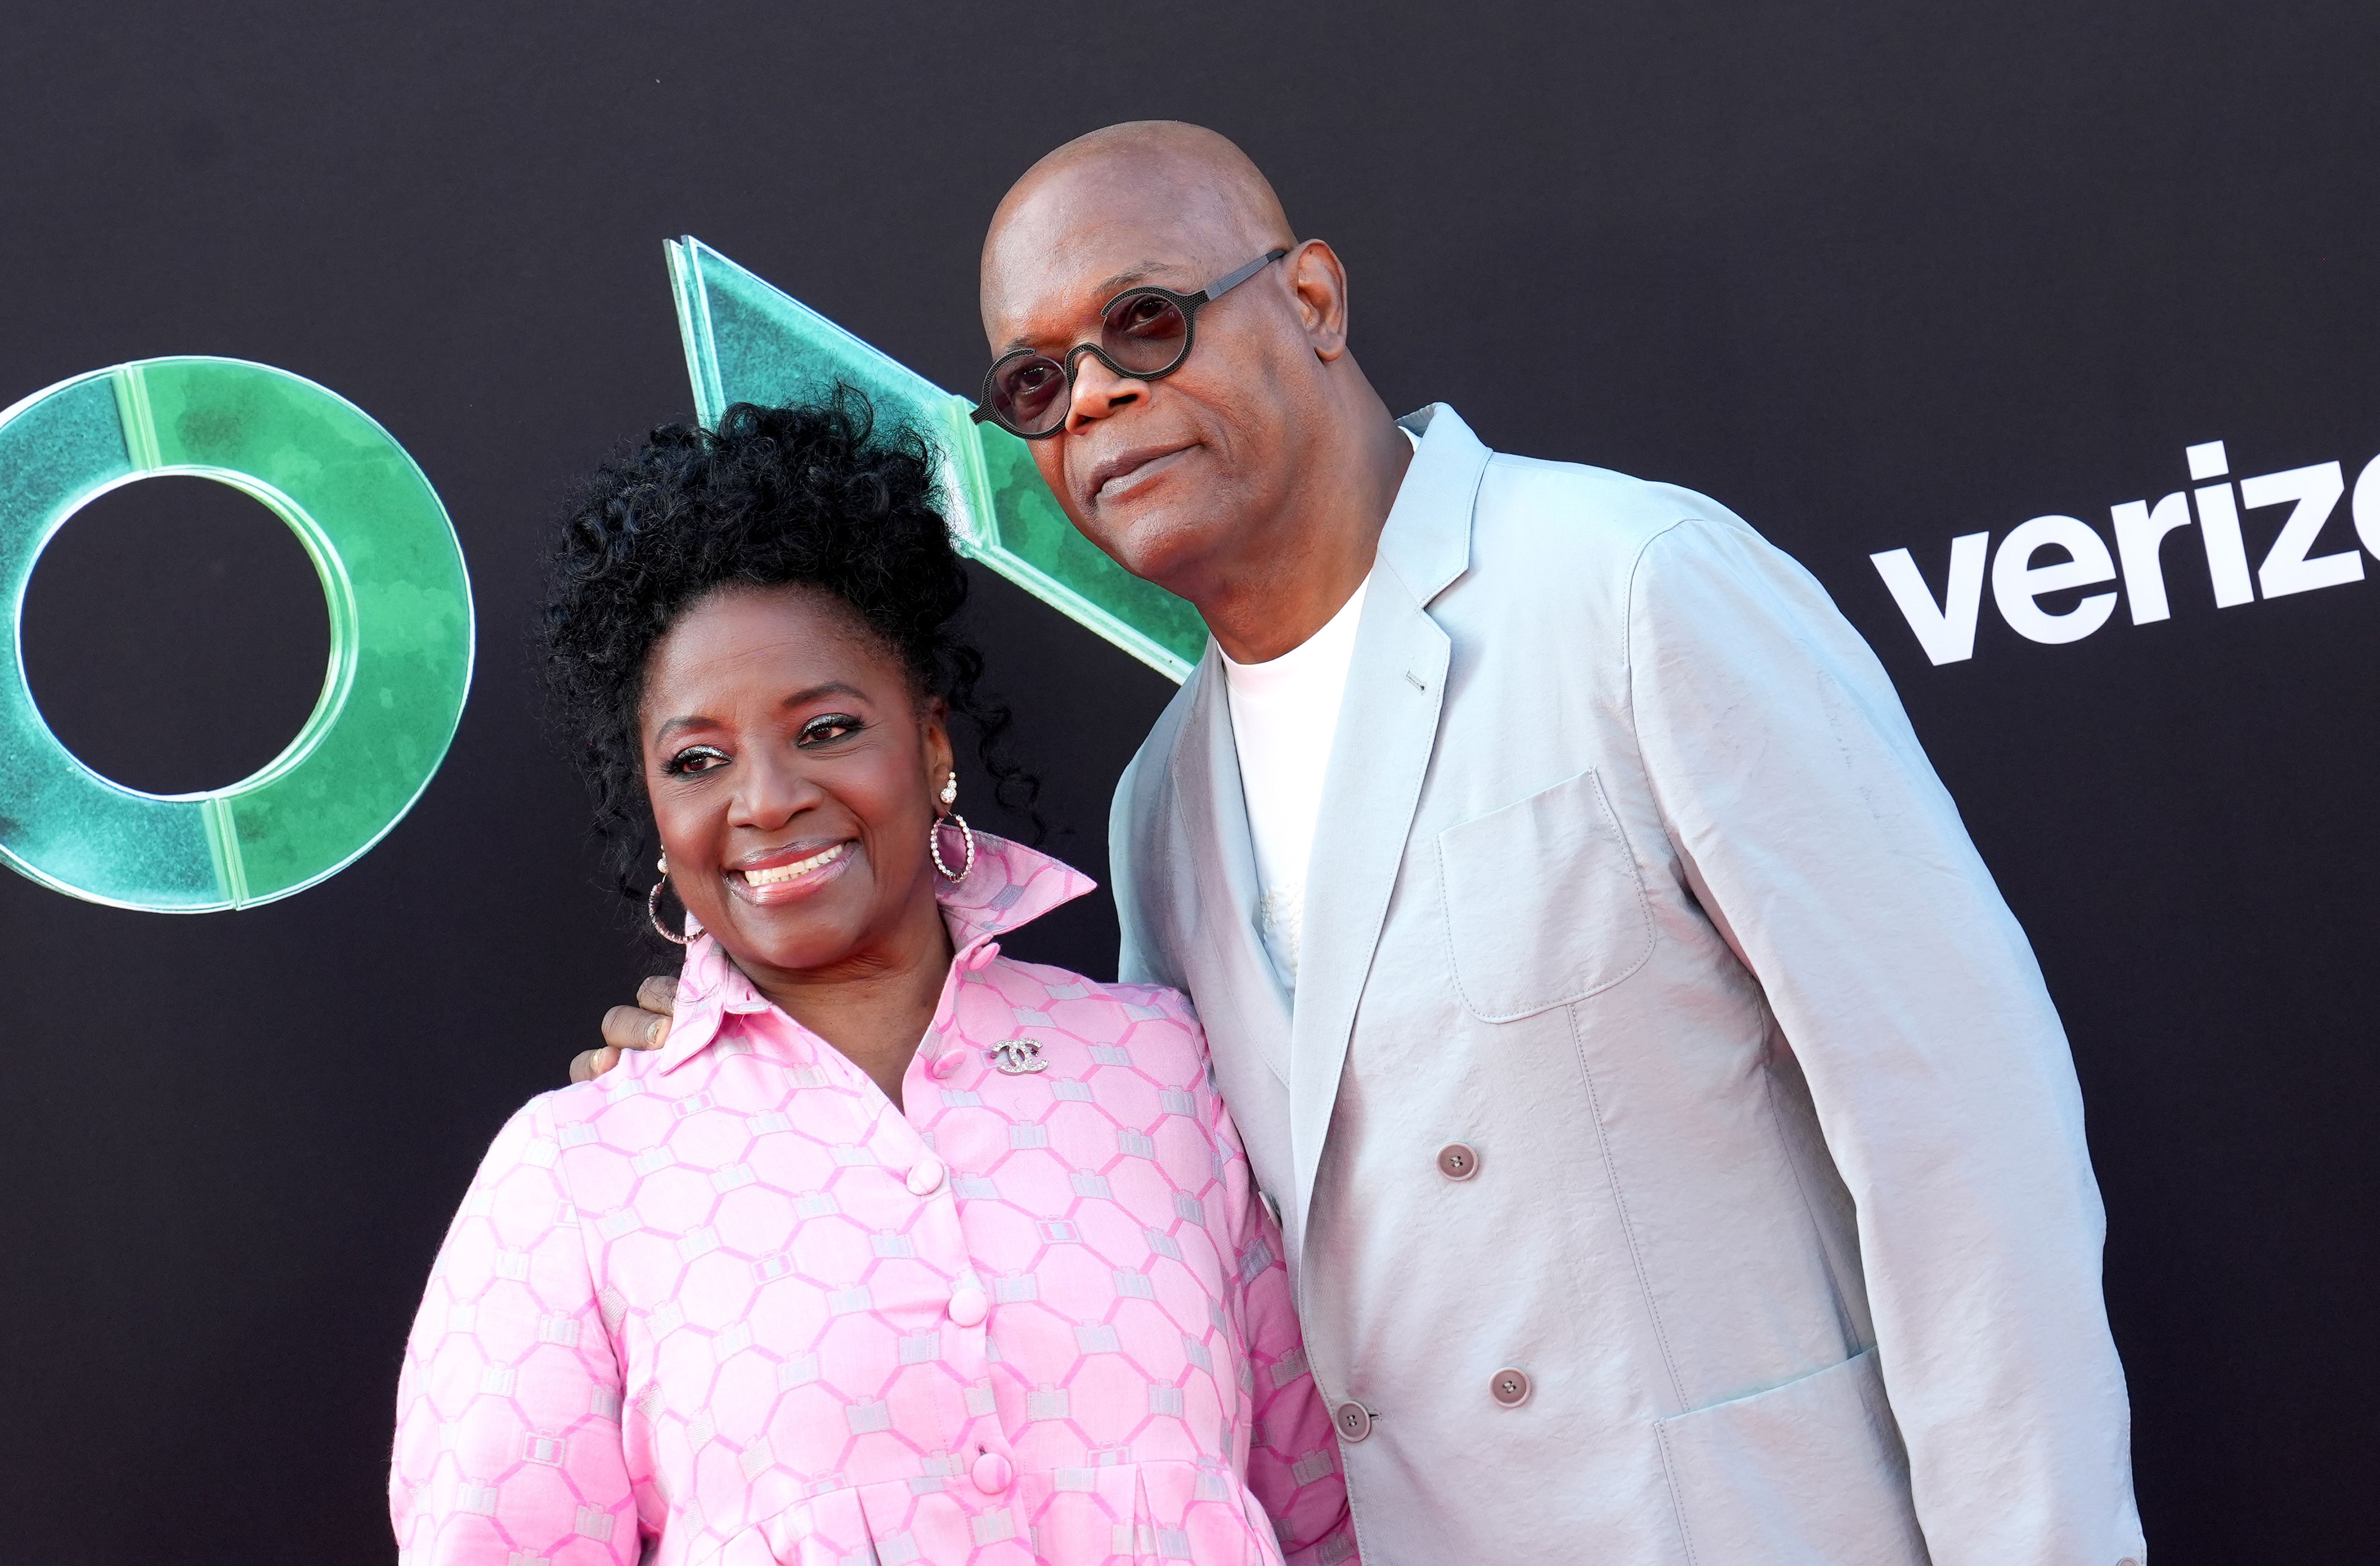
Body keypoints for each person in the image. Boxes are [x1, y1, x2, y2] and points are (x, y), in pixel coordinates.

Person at [592, 124, 2147, 1565]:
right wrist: (746, 1075)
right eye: (1036, 384)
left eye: (1145, 321)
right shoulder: (1166, 808)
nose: (1099, 400)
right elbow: (1147, 1242)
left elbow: (1968, 1157)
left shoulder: (1629, 593)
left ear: (1316, 299)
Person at [394, 396, 1357, 1566]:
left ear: (932, 744)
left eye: (826, 727)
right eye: (698, 760)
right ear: (655, 811)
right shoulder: (576, 1176)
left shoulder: (1156, 1070)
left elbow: (1315, 1510)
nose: (764, 799)